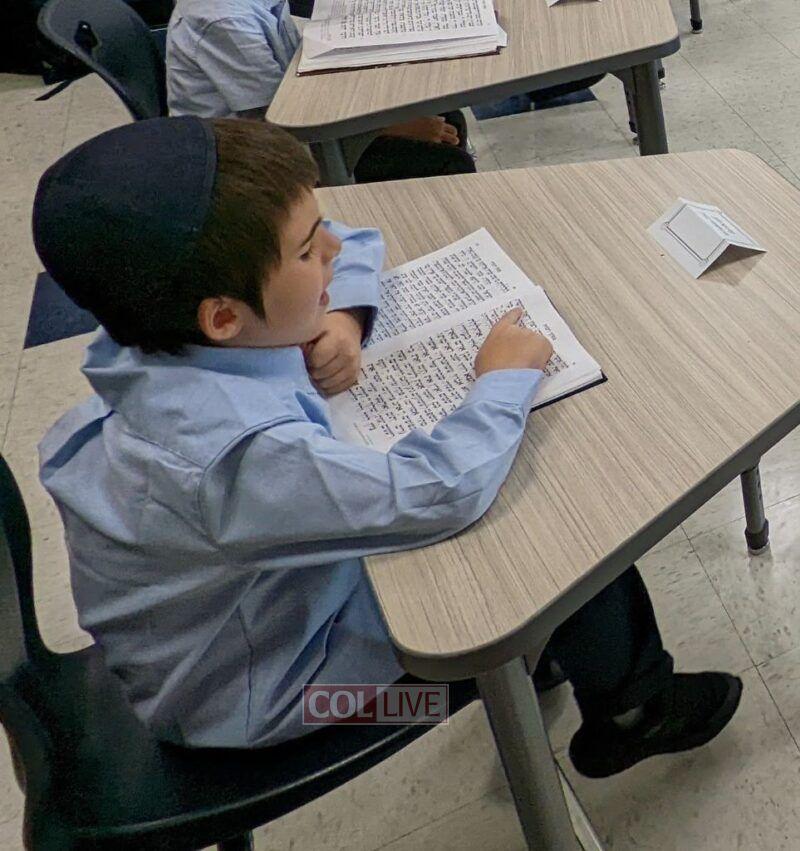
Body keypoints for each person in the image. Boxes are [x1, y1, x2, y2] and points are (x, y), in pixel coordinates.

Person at [33, 116, 741, 778]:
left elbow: (355, 234)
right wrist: (502, 380)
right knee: (551, 531)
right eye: (308, 253)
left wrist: (342, 315)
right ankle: (628, 709)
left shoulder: (158, 330)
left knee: (518, 502)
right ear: (223, 317)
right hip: (269, 704)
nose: (331, 250)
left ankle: (558, 650)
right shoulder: (228, 459)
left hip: (265, 618)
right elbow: (440, 492)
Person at [165, 0, 476, 182]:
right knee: (448, 161)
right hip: (258, 157)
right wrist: (392, 125)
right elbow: (283, 123)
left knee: (449, 118)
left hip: (291, 115)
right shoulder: (222, 20)